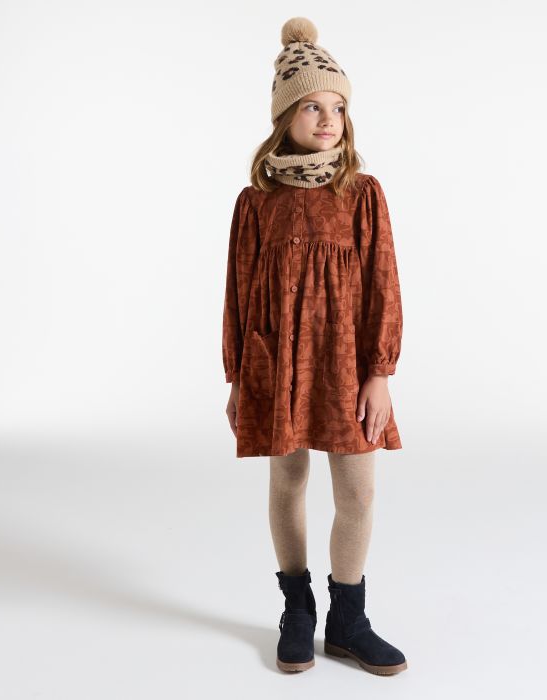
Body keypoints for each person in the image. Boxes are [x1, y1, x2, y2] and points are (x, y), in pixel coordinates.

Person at [221, 17, 407, 676]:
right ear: (284, 116)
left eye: (338, 107)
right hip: (276, 363)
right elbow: (238, 293)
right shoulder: (255, 203)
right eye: (311, 107)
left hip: (346, 365)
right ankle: (297, 609)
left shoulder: (362, 195)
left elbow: (383, 283)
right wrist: (238, 376)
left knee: (357, 491)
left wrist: (379, 372)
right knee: (288, 481)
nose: (328, 120)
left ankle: (348, 620)